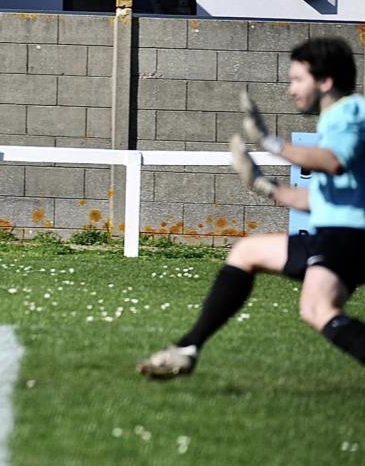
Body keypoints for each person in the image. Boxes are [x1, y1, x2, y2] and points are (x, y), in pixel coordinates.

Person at [138, 37, 365, 378]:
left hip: (350, 238)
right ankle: (189, 347)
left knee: (317, 309)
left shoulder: (348, 112)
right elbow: (319, 200)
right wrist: (263, 186)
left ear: (326, 81)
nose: (290, 89)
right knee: (247, 251)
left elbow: (333, 163)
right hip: (336, 233)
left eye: (297, 79)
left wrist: (270, 142)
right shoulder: (337, 120)